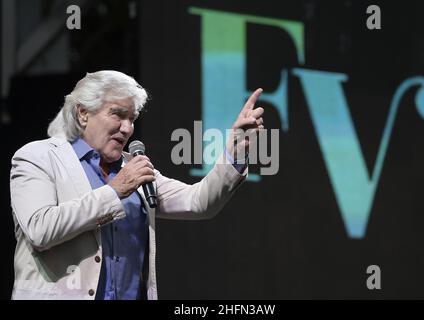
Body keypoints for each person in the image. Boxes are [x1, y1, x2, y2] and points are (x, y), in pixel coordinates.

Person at [9, 70, 264, 300]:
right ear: (83, 113)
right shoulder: (38, 157)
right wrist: (115, 191)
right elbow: (39, 229)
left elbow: (199, 202)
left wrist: (236, 152)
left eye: (132, 118)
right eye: (118, 115)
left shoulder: (134, 169)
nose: (127, 128)